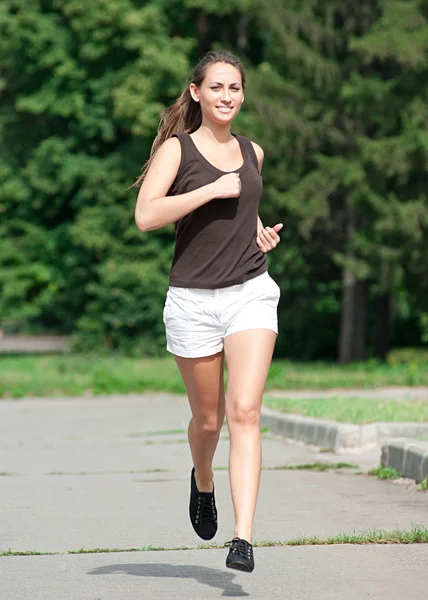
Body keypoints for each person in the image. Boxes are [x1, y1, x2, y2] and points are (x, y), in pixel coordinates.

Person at [133, 49, 282, 573]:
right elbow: (146, 215)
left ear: (243, 94)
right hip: (193, 300)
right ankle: (202, 479)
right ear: (197, 92)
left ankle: (242, 538)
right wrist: (210, 191)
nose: (227, 96)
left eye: (235, 88)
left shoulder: (252, 151)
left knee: (245, 411)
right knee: (210, 418)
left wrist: (258, 232)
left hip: (250, 291)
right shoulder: (177, 152)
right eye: (216, 87)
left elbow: (245, 210)